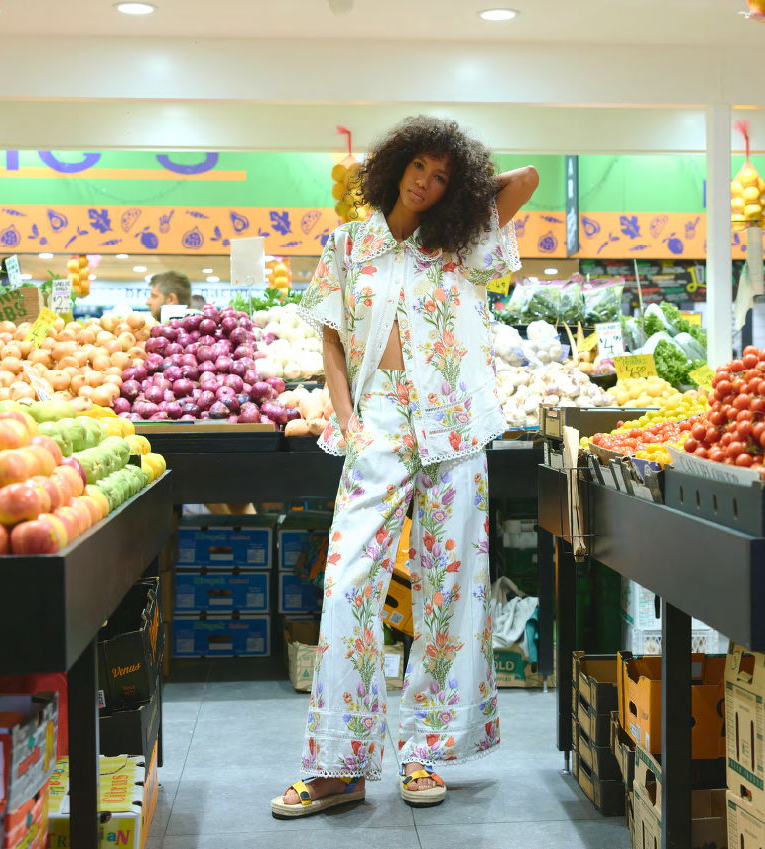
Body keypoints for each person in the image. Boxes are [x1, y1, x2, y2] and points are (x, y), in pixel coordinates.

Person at [271, 116, 538, 819]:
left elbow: (526, 182)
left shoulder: (458, 242)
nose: (426, 180)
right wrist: (349, 420)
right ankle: (339, 762)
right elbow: (331, 341)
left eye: (443, 175)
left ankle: (424, 748)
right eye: (418, 166)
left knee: (451, 585)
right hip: (380, 419)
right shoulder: (347, 245)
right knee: (349, 582)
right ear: (392, 166)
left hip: (454, 417)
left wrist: (466, 193)